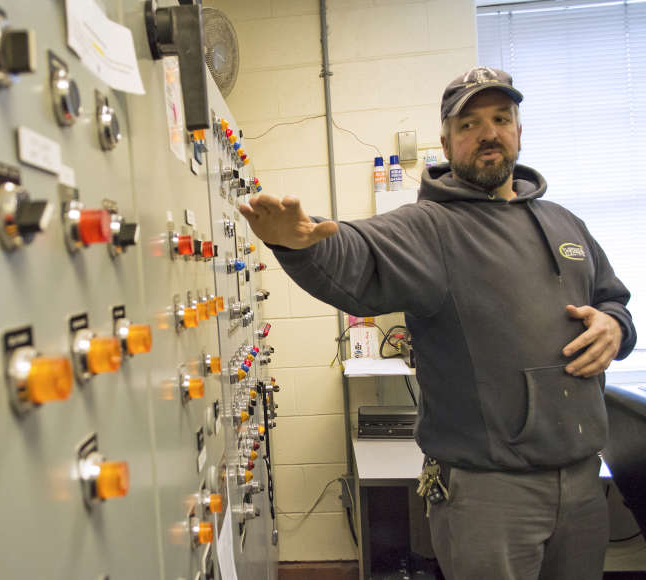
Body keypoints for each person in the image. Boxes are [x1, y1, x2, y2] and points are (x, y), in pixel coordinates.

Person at [238, 67, 637, 580]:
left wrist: (615, 327)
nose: (488, 132)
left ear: (519, 131)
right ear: (446, 144)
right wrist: (298, 241)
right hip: (490, 496)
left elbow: (616, 303)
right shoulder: (430, 229)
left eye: (500, 118)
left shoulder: (566, 223)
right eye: (469, 124)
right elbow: (357, 250)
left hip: (583, 482)